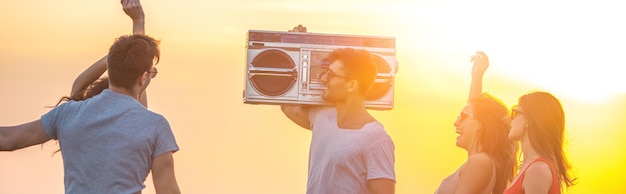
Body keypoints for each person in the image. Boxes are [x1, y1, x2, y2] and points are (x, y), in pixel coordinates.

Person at [0, 3, 180, 194]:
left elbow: (7, 139)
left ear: (111, 67)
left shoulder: (68, 114)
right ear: (143, 78)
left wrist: (131, 39)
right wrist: (138, 23)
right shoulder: (154, 126)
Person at [280, 25, 395, 194]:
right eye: (325, 72)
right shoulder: (322, 118)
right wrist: (295, 47)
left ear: (352, 85)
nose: (324, 78)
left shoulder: (375, 138)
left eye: (331, 75)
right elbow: (287, 105)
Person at [435, 51, 517, 194]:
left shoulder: (479, 162)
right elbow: (475, 111)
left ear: (481, 125)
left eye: (462, 117)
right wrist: (476, 77)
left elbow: (476, 112)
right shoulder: (482, 161)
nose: (455, 123)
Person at [62, 0, 149, 107]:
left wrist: (119, 57)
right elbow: (137, 80)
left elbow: (78, 88)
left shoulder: (80, 116)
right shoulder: (131, 120)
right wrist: (138, 20)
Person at [504, 92, 577, 193]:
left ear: (529, 120)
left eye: (515, 113)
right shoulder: (532, 168)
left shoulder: (537, 170)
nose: (509, 119)